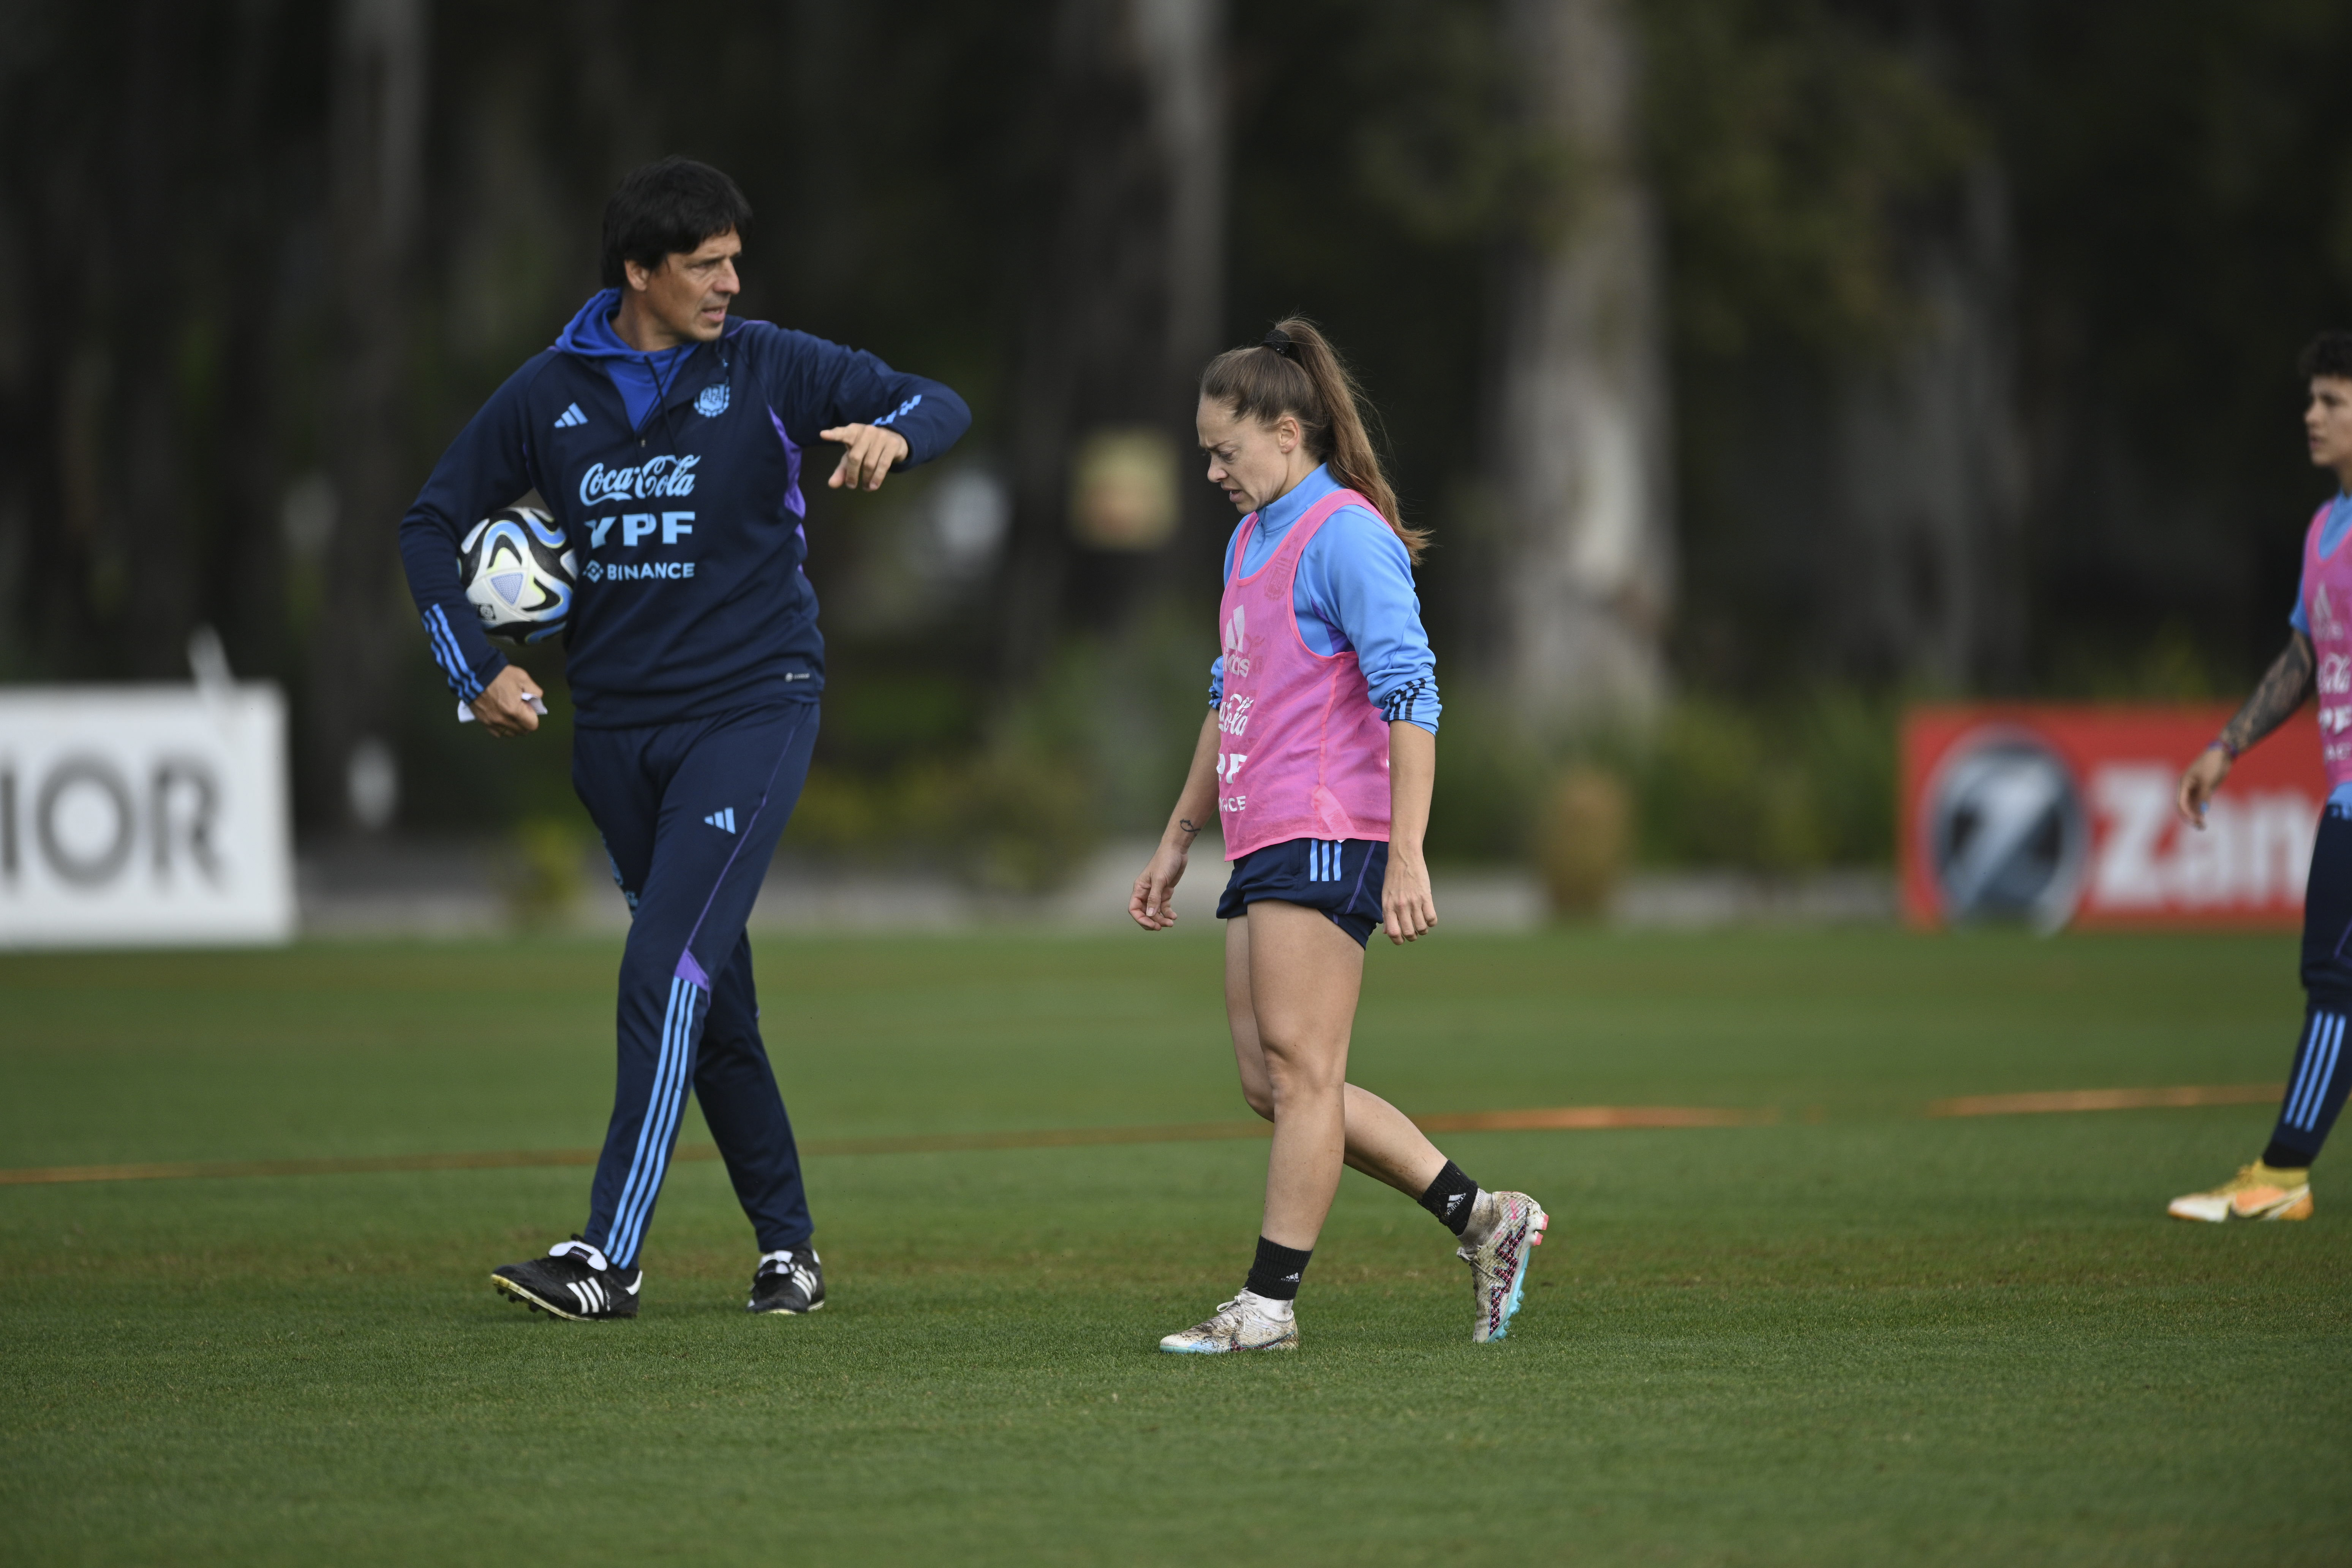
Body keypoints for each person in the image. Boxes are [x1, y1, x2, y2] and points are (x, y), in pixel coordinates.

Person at [397, 157, 969, 1318]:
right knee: (711, 998)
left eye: (735, 261)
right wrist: (481, 665)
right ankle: (789, 1250)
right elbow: (429, 523)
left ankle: (608, 1257)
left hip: (753, 710)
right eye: (705, 265)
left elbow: (937, 399)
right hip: (614, 736)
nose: (729, 281)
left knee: (665, 966)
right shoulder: (549, 393)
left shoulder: (765, 363)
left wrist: (892, 441)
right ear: (638, 271)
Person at [1129, 318, 1548, 1352]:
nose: (1213, 471)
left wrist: (1407, 851)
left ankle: (1268, 1307)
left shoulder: (1346, 532)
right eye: (1205, 454)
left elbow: (1413, 693)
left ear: (1286, 432)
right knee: (1273, 1084)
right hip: (1262, 836)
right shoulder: (1248, 539)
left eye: (1225, 451)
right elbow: (1231, 698)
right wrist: (1182, 834)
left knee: (1303, 1070)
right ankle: (1487, 1218)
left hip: (1329, 833)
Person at [2170, 330, 2352, 1222]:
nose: (2311, 416)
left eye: (2332, 402)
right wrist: (2227, 746)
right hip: (2346, 800)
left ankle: (2282, 1175)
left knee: (2336, 982)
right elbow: (2307, 656)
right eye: (2313, 399)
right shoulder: (2326, 529)